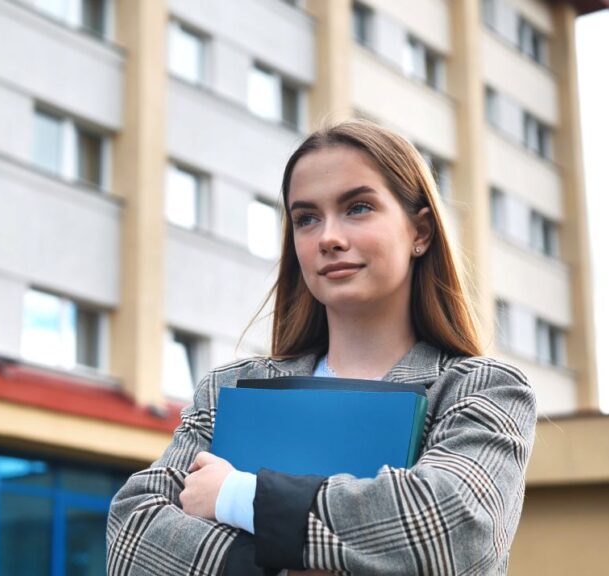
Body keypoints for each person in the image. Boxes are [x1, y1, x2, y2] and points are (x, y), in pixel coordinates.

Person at [106, 120, 537, 575]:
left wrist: (238, 496)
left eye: (358, 207)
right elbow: (134, 533)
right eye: (306, 218)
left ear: (421, 232)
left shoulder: (483, 389)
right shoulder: (230, 388)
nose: (328, 237)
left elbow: (450, 523)